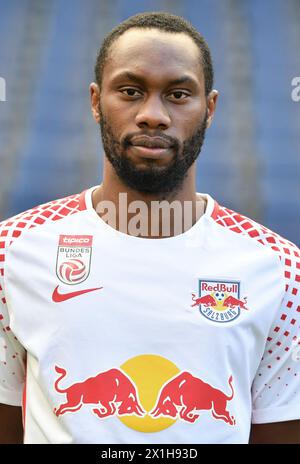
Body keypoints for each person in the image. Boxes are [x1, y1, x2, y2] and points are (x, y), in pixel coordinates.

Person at [0, 11, 299, 445]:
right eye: (130, 91)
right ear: (95, 101)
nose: (153, 115)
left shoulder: (280, 269)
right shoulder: (11, 251)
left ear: (209, 109)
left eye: (178, 94)